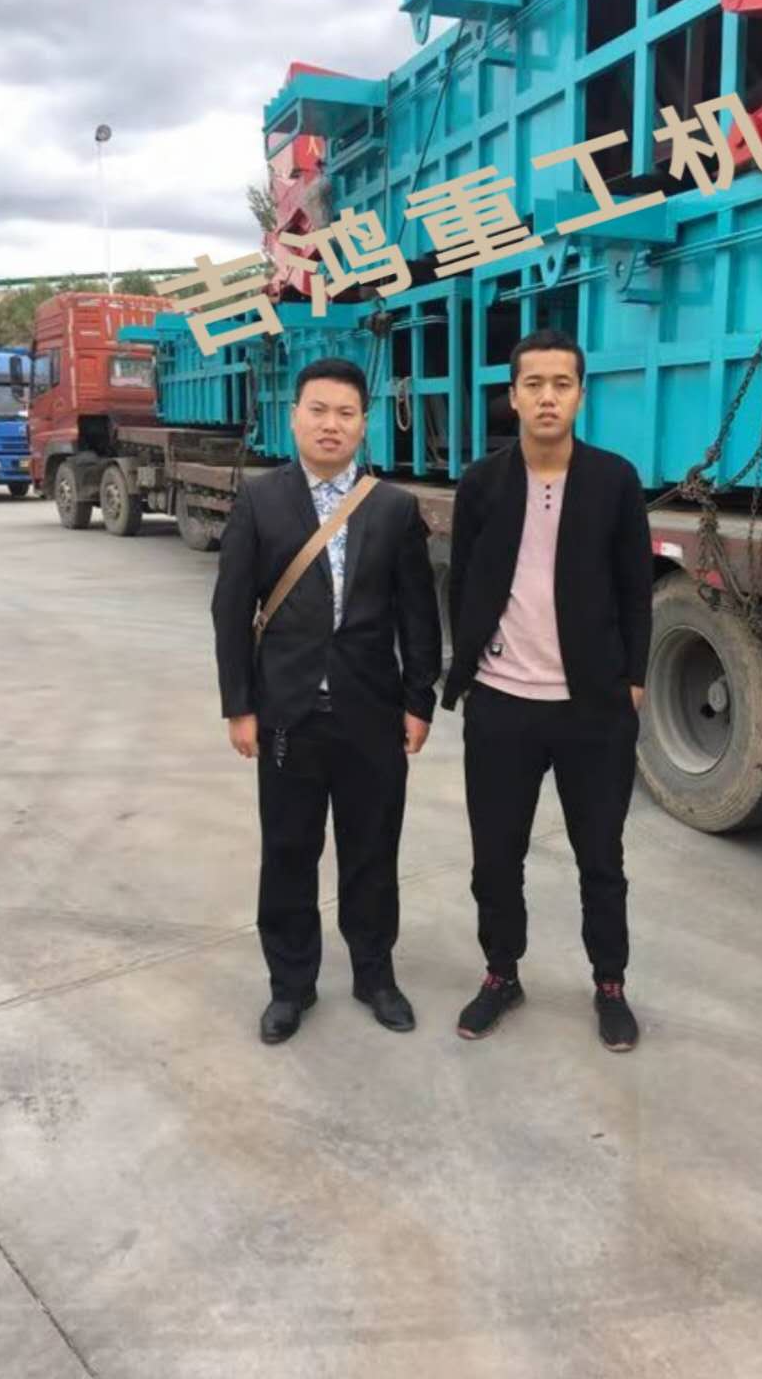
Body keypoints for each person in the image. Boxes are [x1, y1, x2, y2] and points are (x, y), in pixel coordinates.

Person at [212, 357, 442, 1045]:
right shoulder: (261, 500)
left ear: (363, 425)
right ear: (294, 417)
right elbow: (231, 609)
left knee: (372, 852)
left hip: (372, 715)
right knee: (288, 853)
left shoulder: (392, 508)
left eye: (345, 413)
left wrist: (419, 701)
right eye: (318, 410)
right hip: (288, 715)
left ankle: (375, 975)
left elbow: (418, 615)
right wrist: (239, 706)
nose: (331, 425)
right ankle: (291, 986)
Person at [441, 329, 653, 1052]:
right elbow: (463, 582)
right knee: (495, 858)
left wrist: (633, 681)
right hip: (502, 704)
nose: (547, 398)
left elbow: (635, 589)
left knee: (602, 859)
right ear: (513, 396)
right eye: (533, 384)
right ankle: (502, 974)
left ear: (580, 395)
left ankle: (610, 984)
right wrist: (472, 666)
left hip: (592, 709)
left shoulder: (614, 481)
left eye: (562, 384)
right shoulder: (483, 483)